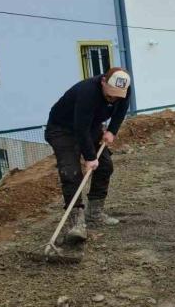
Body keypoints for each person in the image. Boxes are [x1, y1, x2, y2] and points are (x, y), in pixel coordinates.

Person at [45, 67, 132, 243]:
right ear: (103, 82)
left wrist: (112, 131)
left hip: (90, 125)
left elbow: (121, 111)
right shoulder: (88, 92)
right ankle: (76, 224)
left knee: (105, 166)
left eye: (118, 95)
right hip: (62, 129)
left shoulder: (124, 89)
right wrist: (90, 157)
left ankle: (95, 214)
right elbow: (80, 128)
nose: (113, 98)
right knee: (71, 172)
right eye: (110, 94)